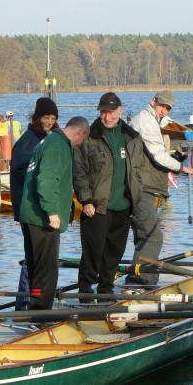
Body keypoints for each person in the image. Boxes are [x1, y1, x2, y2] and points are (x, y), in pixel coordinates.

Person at [73, 92, 145, 302]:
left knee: (114, 252)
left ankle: (106, 291)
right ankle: (85, 294)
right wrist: (85, 200)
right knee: (92, 253)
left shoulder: (131, 137)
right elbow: (79, 171)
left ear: (120, 111)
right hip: (96, 206)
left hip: (123, 205)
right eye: (103, 112)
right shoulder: (89, 138)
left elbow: (139, 169)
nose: (107, 117)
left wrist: (137, 196)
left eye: (111, 112)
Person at [19, 116, 90, 310]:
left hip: (31, 215)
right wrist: (52, 211)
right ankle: (40, 314)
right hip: (42, 218)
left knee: (35, 268)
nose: (80, 144)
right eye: (82, 140)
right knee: (46, 270)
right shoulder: (58, 145)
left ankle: (34, 306)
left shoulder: (49, 140)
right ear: (80, 133)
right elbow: (47, 179)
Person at [126, 90, 193, 287]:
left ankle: (136, 282)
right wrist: (181, 167)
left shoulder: (152, 119)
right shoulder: (146, 121)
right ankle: (143, 282)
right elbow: (157, 154)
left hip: (144, 186)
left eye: (168, 108)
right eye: (162, 106)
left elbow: (160, 135)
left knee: (144, 235)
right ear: (153, 101)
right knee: (153, 235)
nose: (164, 111)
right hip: (140, 187)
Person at [10, 97, 59, 311]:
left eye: (53, 118)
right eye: (46, 117)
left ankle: (31, 299)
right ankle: (24, 302)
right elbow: (25, 177)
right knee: (33, 260)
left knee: (37, 259)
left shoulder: (46, 139)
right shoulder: (27, 142)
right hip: (29, 209)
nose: (49, 122)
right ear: (36, 117)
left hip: (38, 209)